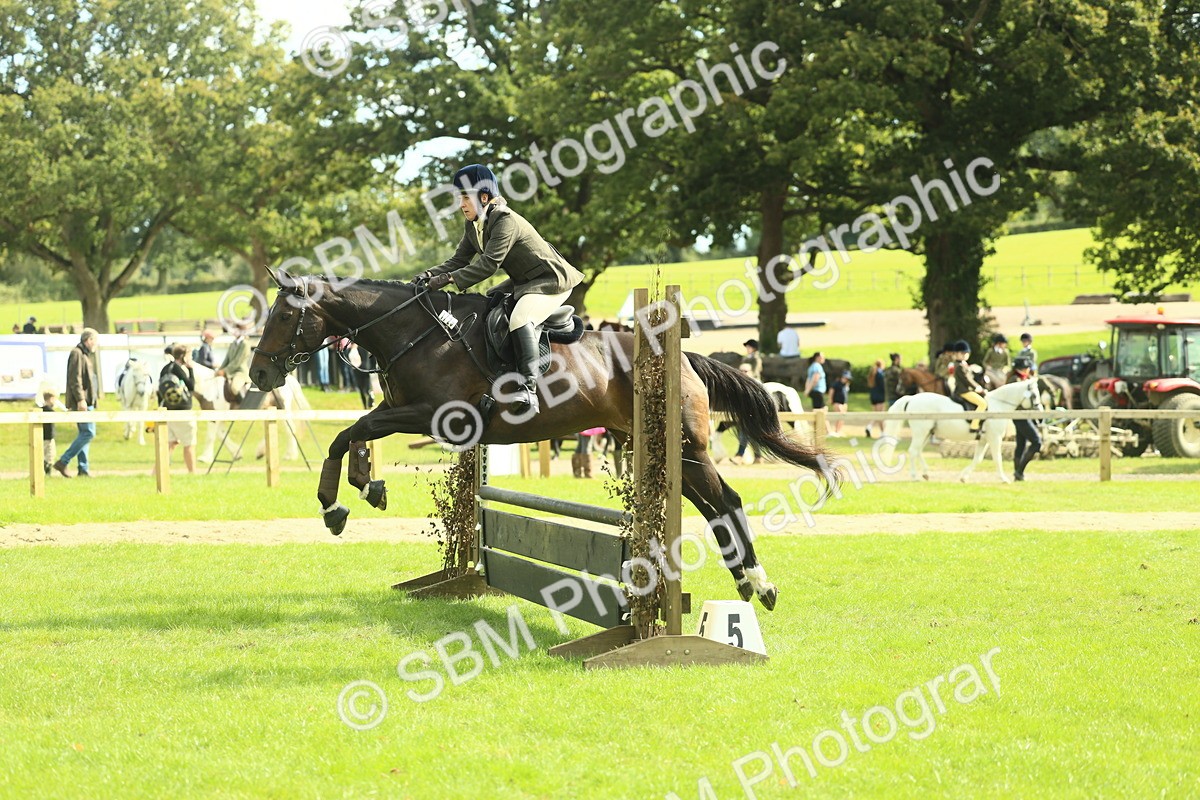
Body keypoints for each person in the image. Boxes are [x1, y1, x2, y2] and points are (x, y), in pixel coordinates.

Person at [418, 163, 584, 415]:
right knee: (489, 302)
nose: (461, 204)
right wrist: (430, 274)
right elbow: (458, 260)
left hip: (552, 280)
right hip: (525, 281)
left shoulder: (504, 220)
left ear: (483, 197)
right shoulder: (474, 224)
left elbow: (488, 264)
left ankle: (528, 389)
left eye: (465, 197)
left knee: (520, 319)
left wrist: (449, 280)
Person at [53, 328, 100, 478]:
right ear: (89, 340)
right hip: (82, 402)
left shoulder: (83, 354)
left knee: (84, 433)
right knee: (88, 433)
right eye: (95, 341)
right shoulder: (77, 354)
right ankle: (63, 461)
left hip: (87, 401)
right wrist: (81, 399)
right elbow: (75, 379)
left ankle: (83, 469)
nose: (96, 345)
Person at [159, 343, 197, 474]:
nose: (191, 358)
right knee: (189, 444)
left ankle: (156, 472)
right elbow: (191, 386)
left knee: (170, 443)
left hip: (167, 411)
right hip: (183, 411)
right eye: (189, 355)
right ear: (183, 356)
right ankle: (192, 472)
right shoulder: (179, 369)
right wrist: (191, 370)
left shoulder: (165, 368)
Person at [1008, 357, 1042, 481]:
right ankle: (1019, 471)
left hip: (1024, 414)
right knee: (1036, 442)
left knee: (1021, 445)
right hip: (1019, 415)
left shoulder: (1025, 379)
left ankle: (1018, 473)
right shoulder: (1015, 380)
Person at [949, 340, 987, 433]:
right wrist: (977, 387)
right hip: (964, 391)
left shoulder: (963, 364)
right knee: (983, 403)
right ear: (957, 354)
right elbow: (967, 379)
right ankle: (974, 426)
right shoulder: (959, 366)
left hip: (967, 389)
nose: (964, 355)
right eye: (962, 353)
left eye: (966, 353)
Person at [216, 323, 252, 407]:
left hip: (240, 372)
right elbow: (227, 359)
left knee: (234, 387)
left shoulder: (245, 344)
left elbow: (237, 362)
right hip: (231, 371)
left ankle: (244, 406)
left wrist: (225, 371)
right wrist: (220, 370)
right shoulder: (232, 344)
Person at [38, 390, 65, 474]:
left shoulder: (42, 410)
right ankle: (47, 470)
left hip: (43, 436)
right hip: (49, 436)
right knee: (50, 454)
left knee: (46, 453)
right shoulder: (49, 410)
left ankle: (45, 468)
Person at [867, 359, 887, 437]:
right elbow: (883, 386)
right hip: (880, 397)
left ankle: (870, 427)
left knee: (876, 414)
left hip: (873, 397)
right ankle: (882, 432)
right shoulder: (880, 374)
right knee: (880, 415)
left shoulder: (872, 374)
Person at [829, 370, 850, 436]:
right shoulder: (836, 383)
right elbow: (831, 391)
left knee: (843, 417)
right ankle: (836, 430)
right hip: (837, 402)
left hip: (844, 403)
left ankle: (839, 431)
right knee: (839, 416)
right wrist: (831, 399)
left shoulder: (846, 385)